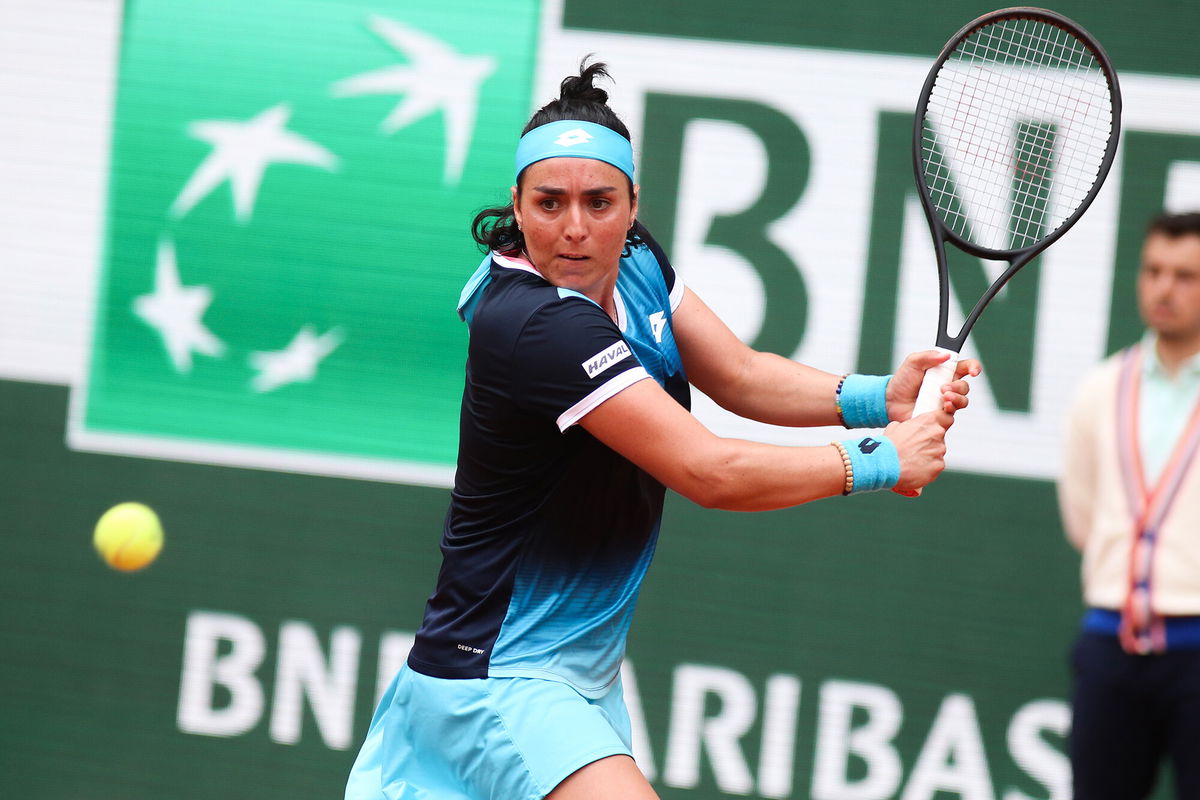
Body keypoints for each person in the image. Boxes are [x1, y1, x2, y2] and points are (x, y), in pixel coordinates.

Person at [345, 60, 980, 800]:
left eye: (600, 202)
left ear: (632, 204)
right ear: (517, 206)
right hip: (500, 676)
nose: (576, 229)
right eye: (549, 203)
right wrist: (880, 459)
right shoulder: (532, 325)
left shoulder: (637, 261)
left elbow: (738, 375)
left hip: (575, 681)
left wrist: (879, 400)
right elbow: (709, 471)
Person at [1058, 211, 1200, 799]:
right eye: (1154, 271)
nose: (1165, 288)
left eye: (1187, 275)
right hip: (1109, 646)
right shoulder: (1099, 388)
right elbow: (1084, 519)